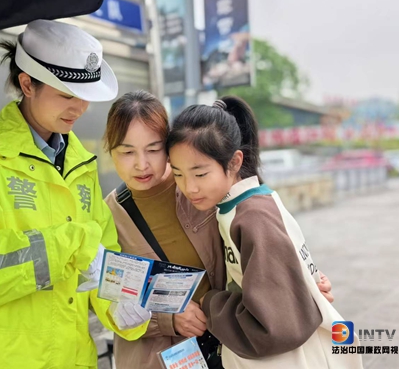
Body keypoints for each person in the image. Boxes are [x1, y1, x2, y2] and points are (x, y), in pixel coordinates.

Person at [0, 20, 150, 369]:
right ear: (27, 84)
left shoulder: (79, 163)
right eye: (67, 95)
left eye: (85, 96)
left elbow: (100, 255)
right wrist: (73, 245)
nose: (79, 108)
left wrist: (122, 303)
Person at [102, 91, 334, 369]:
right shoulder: (107, 215)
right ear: (110, 150)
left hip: (231, 350)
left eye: (153, 149)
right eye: (127, 152)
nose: (142, 164)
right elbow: (103, 298)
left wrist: (298, 282)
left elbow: (261, 244)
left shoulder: (203, 187)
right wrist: (166, 318)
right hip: (156, 358)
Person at [167, 96, 362, 369]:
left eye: (200, 174)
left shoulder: (252, 217)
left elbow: (273, 327)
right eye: (178, 174)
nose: (190, 188)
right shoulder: (244, 204)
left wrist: (209, 302)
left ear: (234, 162)